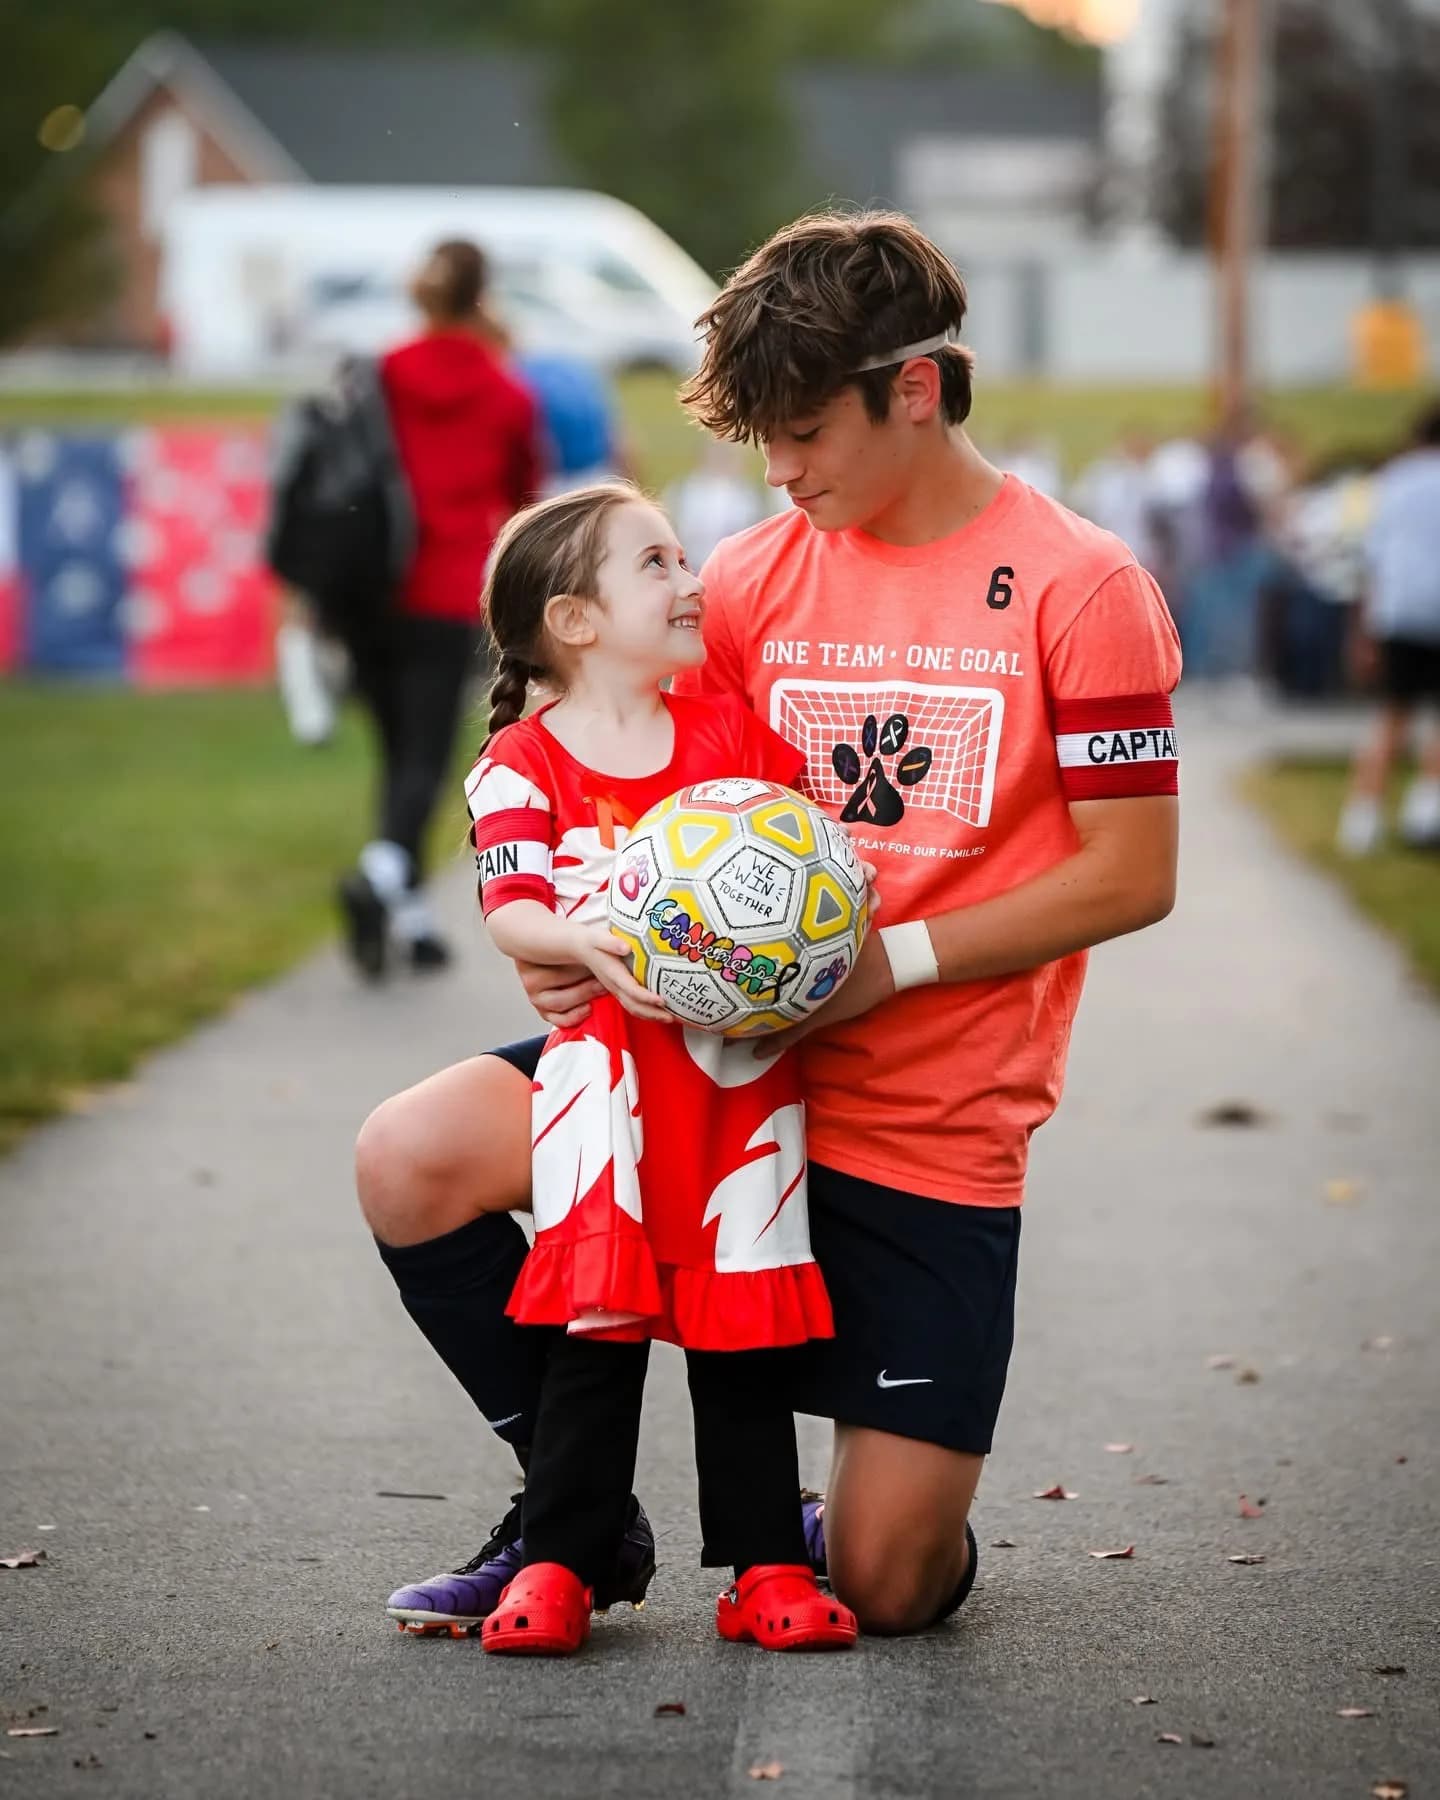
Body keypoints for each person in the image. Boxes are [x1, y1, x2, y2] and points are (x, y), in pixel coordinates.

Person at [361, 209, 1180, 1638]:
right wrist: (581, 928)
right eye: (761, 441)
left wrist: (886, 970)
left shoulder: (1083, 588)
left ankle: (846, 1515)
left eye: (804, 432)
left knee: (888, 1585)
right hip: (709, 1082)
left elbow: (1133, 874)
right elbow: (599, 753)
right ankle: (576, 1510)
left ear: (913, 390)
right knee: (410, 1158)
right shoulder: (738, 582)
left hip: (925, 1126)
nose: (780, 471)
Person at [456, 481, 857, 1655]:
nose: (692, 583)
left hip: (736, 1083)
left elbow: (810, 865)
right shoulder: (523, 761)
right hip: (604, 1094)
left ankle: (768, 1567)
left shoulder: (730, 733)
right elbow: (511, 908)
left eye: (684, 559)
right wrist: (575, 939)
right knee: (598, 1333)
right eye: (658, 564)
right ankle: (562, 1566)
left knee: (746, 1340)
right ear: (576, 621)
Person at [337, 239, 543, 978]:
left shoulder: (384, 372)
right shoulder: (506, 391)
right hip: (450, 592)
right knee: (423, 758)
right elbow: (527, 497)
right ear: (484, 294)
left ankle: (412, 916)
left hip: (370, 589)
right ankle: (380, 879)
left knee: (397, 758)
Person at [1336, 399, 1440, 855]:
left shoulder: (1392, 482)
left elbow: (1372, 559)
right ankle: (1425, 810)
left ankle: (1362, 819)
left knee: (1391, 718)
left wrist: (1363, 630)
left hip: (1398, 610)